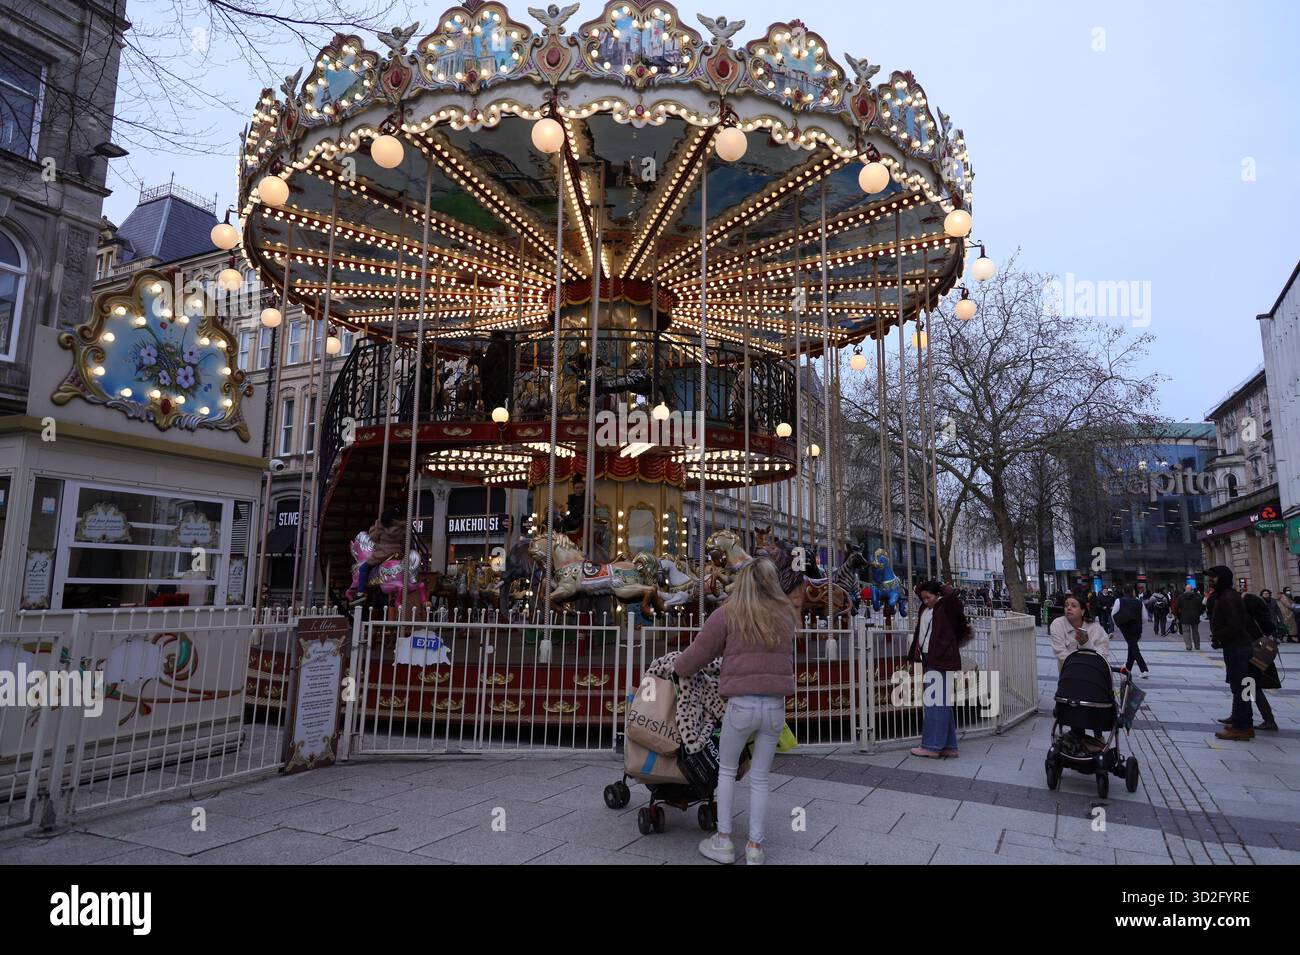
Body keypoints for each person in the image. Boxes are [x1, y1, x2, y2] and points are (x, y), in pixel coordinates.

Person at [675, 558, 796, 866]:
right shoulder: (785, 615)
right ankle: (755, 847)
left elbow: (696, 656)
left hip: (740, 705)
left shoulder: (727, 614)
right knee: (760, 778)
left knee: (727, 772)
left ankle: (725, 841)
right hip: (774, 707)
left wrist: (678, 667)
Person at [905, 580, 973, 759]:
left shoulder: (946, 606)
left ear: (938, 595)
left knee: (934, 702)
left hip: (941, 657)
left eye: (929, 597)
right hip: (930, 656)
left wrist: (942, 588)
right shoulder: (926, 609)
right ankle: (950, 745)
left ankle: (932, 745)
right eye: (923, 598)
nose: (925, 600)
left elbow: (953, 600)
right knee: (940, 701)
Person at [1206, 565, 1255, 741]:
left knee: (1241, 687)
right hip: (1236, 646)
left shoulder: (1228, 598)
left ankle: (1243, 727)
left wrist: (1218, 637)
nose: (1210, 580)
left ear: (1223, 579)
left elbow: (1235, 625)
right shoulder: (1227, 596)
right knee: (1239, 686)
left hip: (1238, 647)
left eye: (1213, 577)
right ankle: (1239, 719)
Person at [356, 506, 409, 601]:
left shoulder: (381, 527)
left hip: (383, 553)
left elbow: (373, 538)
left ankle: (361, 592)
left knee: (363, 567)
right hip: (396, 553)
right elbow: (404, 542)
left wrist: (374, 527)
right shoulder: (402, 528)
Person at [1050, 593, 1111, 670]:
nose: (1068, 608)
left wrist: (1086, 644)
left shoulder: (1096, 629)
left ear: (1082, 611)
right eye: (1066, 605)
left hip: (1092, 674)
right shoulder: (1058, 624)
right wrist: (1078, 667)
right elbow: (1060, 652)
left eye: (1074, 606)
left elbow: (1102, 656)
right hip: (1068, 674)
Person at [1111, 585, 1149, 678]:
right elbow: (1144, 618)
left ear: (1124, 591)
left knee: (1134, 648)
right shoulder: (1139, 602)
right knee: (1132, 646)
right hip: (1137, 628)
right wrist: (1139, 624)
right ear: (1132, 591)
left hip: (1126, 628)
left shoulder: (1119, 600)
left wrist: (1118, 625)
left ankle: (1144, 669)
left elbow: (1113, 614)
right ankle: (1128, 668)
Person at [1176, 584, 1205, 650]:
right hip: (1195, 616)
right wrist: (1198, 614)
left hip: (1184, 616)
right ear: (1192, 590)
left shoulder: (1181, 597)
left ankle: (1188, 646)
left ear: (1185, 589)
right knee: (1195, 632)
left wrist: (1178, 616)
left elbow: (1177, 607)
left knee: (1186, 631)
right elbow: (1201, 607)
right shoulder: (1197, 597)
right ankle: (1197, 646)